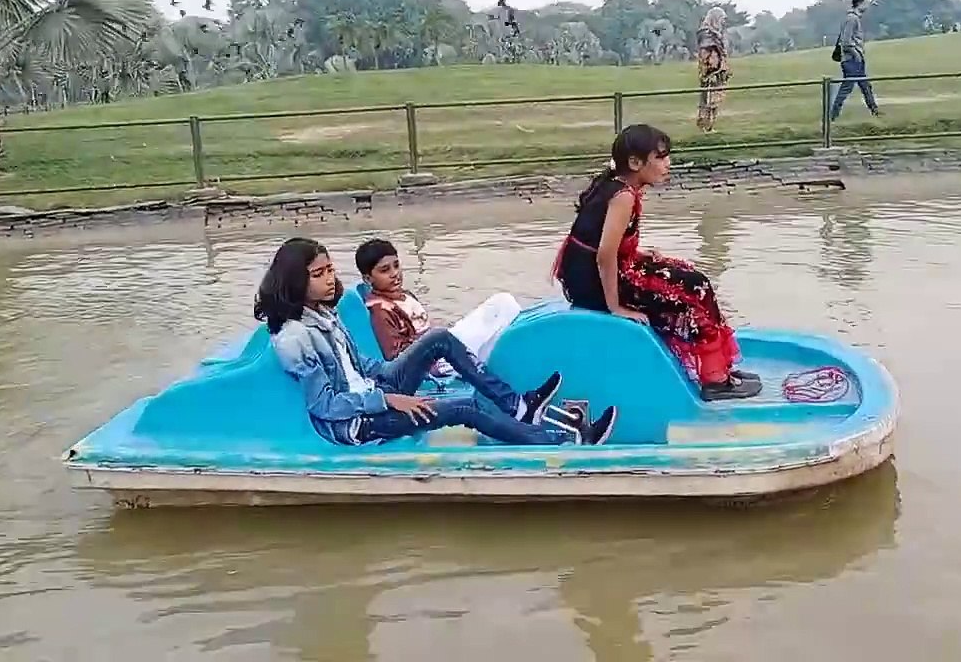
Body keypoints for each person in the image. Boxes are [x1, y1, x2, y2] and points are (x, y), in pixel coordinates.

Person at [256, 237, 616, 447]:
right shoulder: (294, 337)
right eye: (319, 275)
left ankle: (518, 407)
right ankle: (564, 441)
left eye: (331, 270)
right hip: (357, 424)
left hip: (375, 389)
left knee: (439, 338)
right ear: (293, 281)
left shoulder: (324, 314)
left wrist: (400, 372)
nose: (330, 280)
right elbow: (325, 406)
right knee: (462, 408)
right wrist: (387, 399)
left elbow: (362, 366)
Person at [551, 125, 762, 401]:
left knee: (688, 274)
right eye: (660, 158)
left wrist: (638, 255)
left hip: (589, 275)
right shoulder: (623, 196)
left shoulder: (618, 186)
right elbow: (604, 255)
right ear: (636, 163)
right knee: (695, 289)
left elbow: (599, 244)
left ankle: (720, 367)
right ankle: (715, 380)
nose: (667, 164)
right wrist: (616, 307)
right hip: (594, 284)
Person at [355, 238, 521, 373]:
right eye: (385, 270)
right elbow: (396, 357)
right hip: (436, 358)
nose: (395, 274)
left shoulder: (405, 295)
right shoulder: (381, 311)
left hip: (442, 344)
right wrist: (432, 357)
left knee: (501, 307)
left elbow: (422, 325)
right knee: (503, 305)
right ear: (368, 279)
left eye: (396, 265)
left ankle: (490, 360)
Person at [831, 0, 881, 121]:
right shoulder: (852, 19)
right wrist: (856, 54)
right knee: (847, 87)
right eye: (866, 2)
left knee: (865, 85)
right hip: (851, 60)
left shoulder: (854, 18)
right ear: (860, 3)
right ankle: (832, 115)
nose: (868, 5)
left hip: (855, 59)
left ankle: (874, 110)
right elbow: (846, 42)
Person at [695, 6, 731, 132]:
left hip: (719, 69)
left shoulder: (716, 33)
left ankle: (710, 126)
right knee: (708, 99)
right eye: (720, 19)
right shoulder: (706, 33)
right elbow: (706, 52)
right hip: (710, 70)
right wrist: (712, 65)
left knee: (716, 100)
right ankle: (704, 126)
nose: (722, 22)